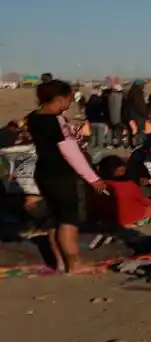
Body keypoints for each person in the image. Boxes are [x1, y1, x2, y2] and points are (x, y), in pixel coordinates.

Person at [27, 79, 108, 274]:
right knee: (69, 220)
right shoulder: (55, 120)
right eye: (68, 99)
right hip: (61, 174)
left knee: (55, 219)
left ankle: (60, 262)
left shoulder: (33, 117)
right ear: (60, 99)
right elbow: (70, 152)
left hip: (44, 172)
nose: (69, 103)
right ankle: (74, 263)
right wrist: (93, 178)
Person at [93, 155, 151, 227]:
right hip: (133, 217)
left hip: (111, 219)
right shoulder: (129, 184)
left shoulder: (100, 185)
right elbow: (143, 201)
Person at [123, 79, 150, 148]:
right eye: (143, 84)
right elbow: (139, 105)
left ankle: (131, 144)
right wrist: (145, 114)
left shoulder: (131, 92)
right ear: (139, 85)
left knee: (132, 131)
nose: (144, 86)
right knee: (139, 131)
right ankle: (138, 145)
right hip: (138, 116)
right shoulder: (138, 92)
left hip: (130, 115)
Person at [84, 87, 110, 152]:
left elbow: (86, 112)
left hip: (92, 121)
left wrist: (88, 118)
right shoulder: (100, 101)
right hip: (100, 120)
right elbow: (104, 110)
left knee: (93, 135)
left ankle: (92, 147)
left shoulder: (88, 102)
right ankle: (100, 147)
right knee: (100, 135)